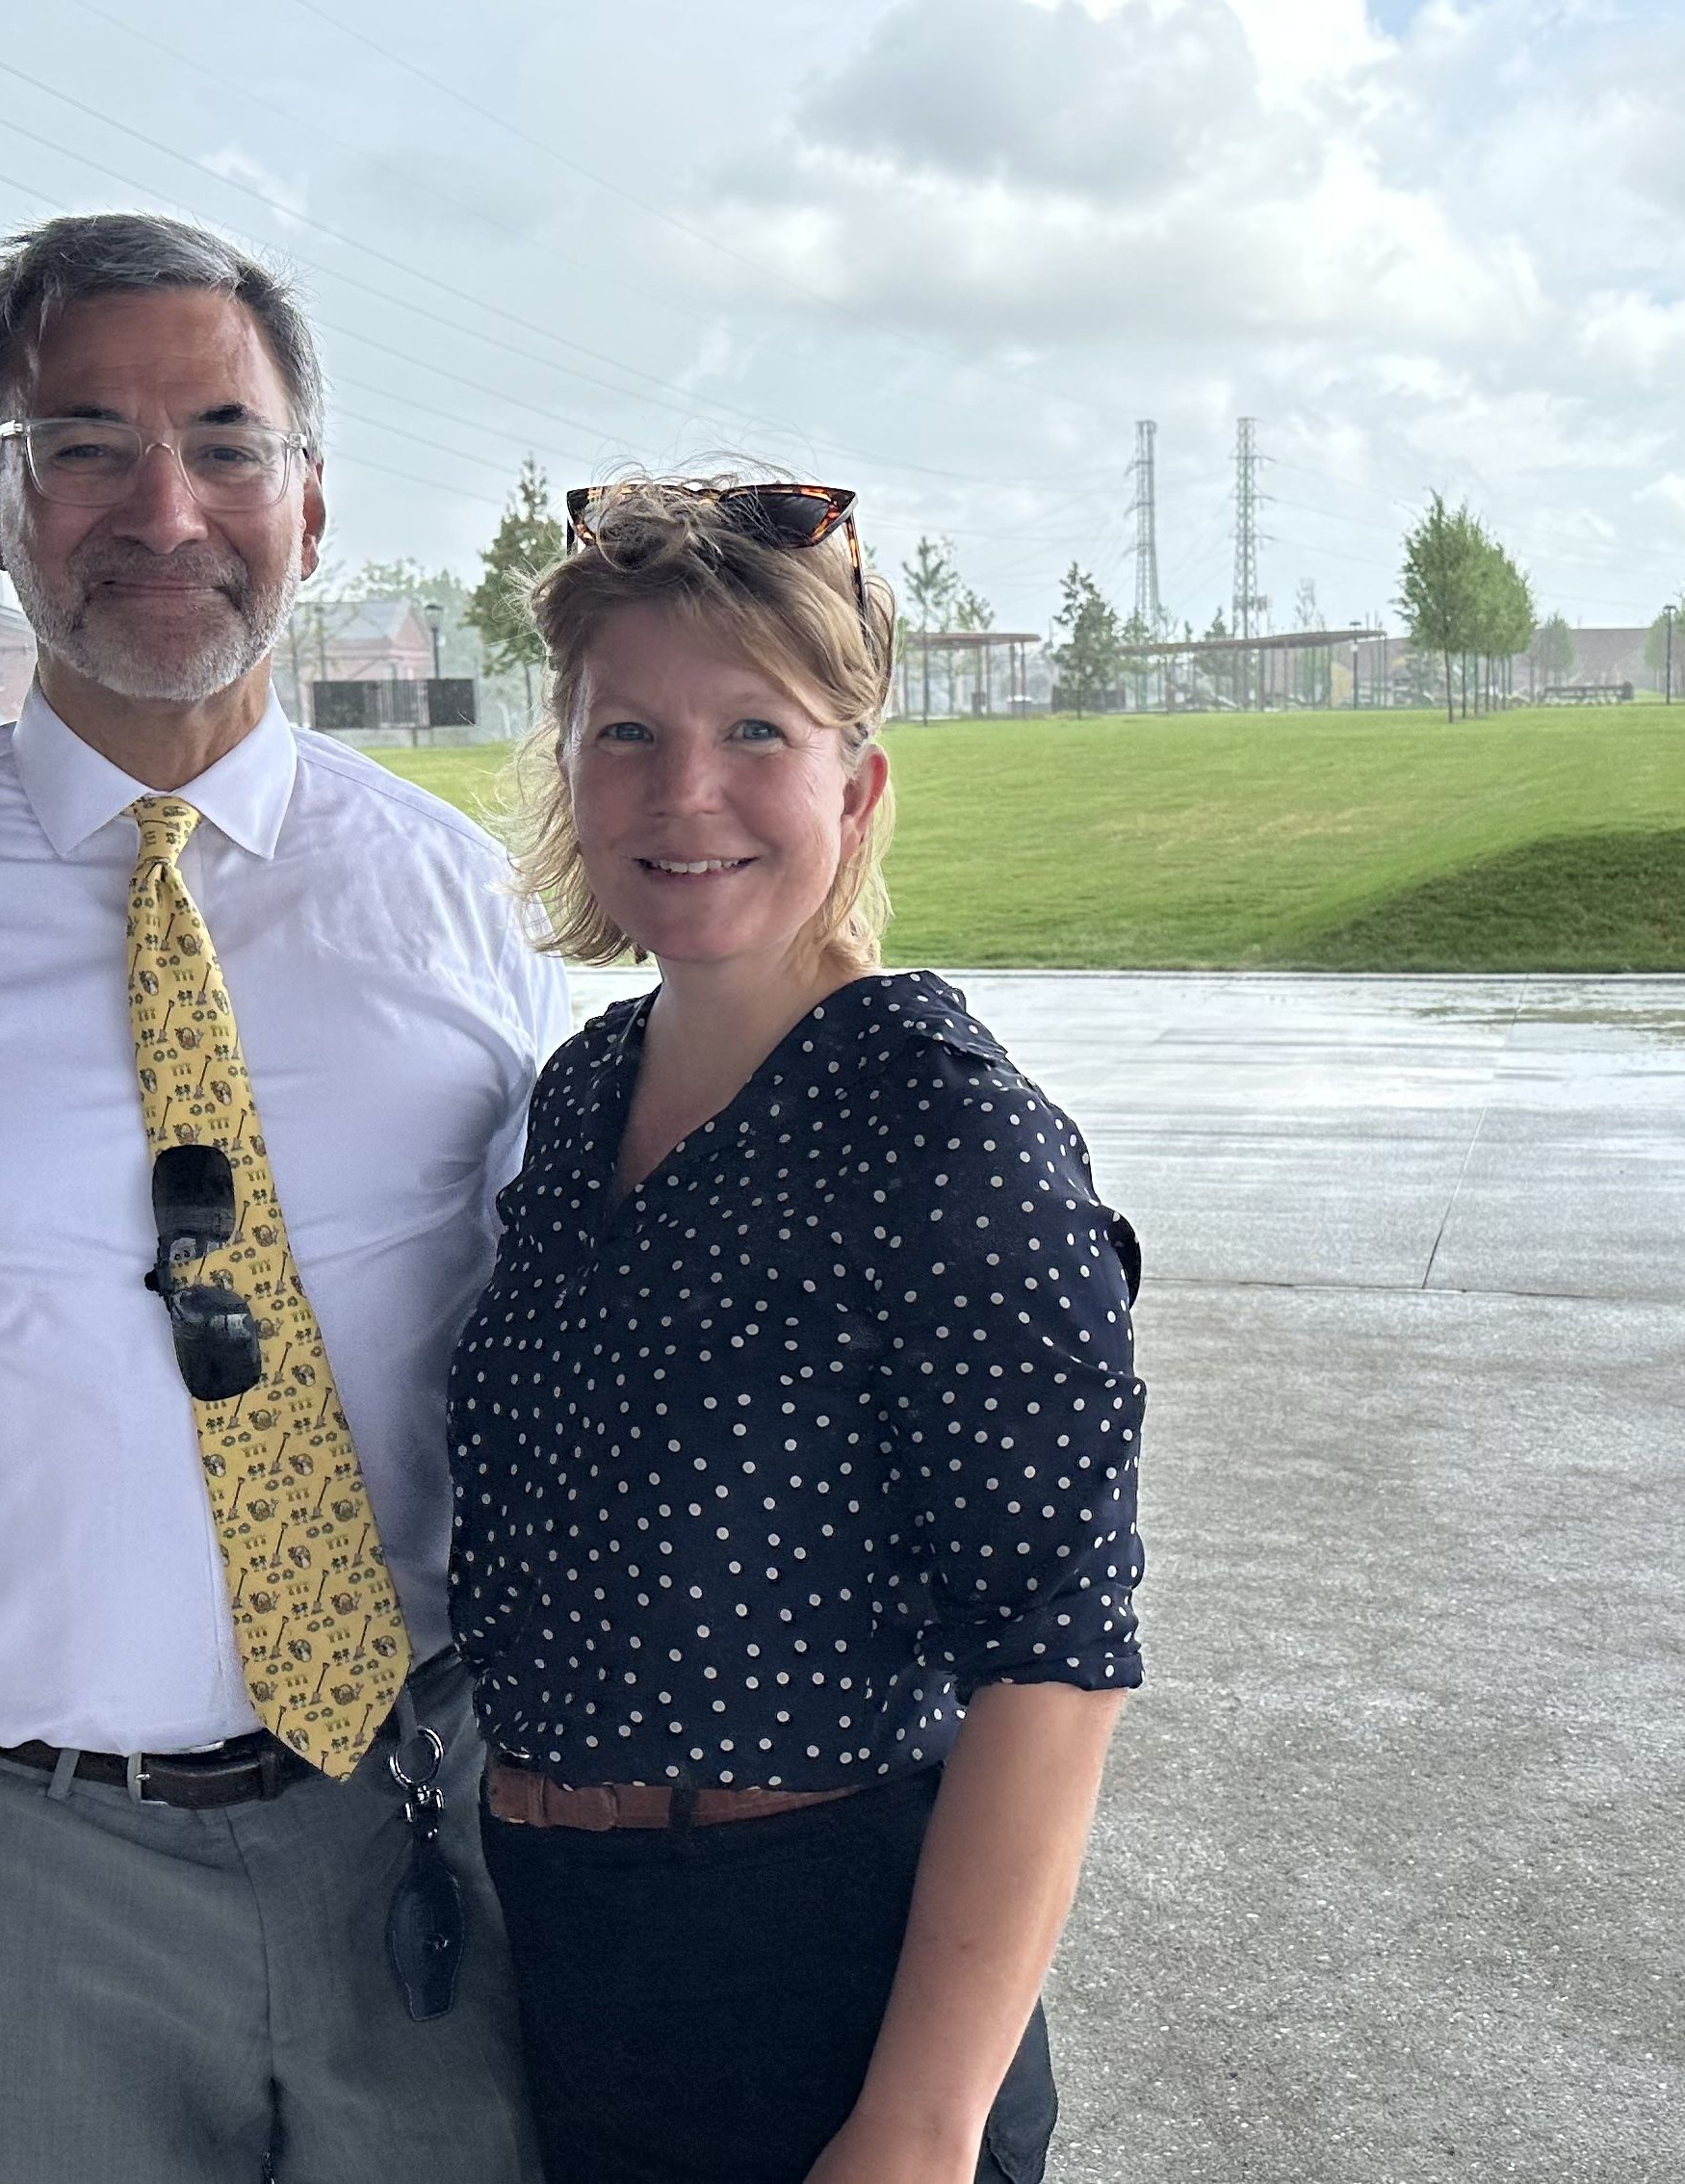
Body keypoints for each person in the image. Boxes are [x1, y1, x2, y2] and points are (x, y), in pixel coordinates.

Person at [0, 211, 561, 2184]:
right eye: (81, 444)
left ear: (310, 502)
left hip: (423, 1825)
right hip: (16, 1877)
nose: (165, 506)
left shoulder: (468, 907)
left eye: (227, 441)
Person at [444, 477, 1148, 2184]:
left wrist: (915, 2128)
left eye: (757, 728)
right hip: (566, 1966)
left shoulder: (940, 1128)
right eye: (627, 733)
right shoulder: (582, 1091)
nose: (685, 792)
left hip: (828, 1986)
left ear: (859, 780)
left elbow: (1054, 1662)